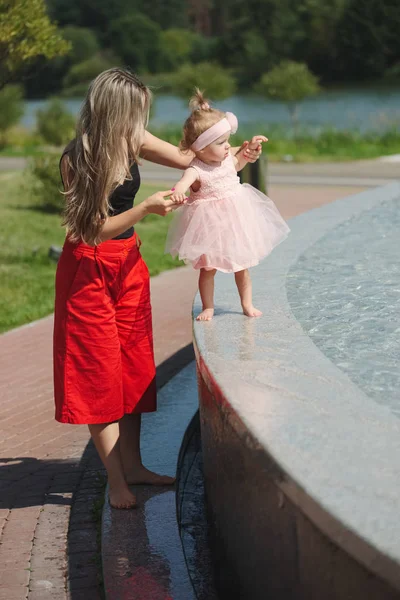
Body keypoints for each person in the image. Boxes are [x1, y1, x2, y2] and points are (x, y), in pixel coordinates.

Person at [54, 68, 263, 509]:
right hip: (89, 272)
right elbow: (90, 231)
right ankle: (116, 483)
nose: (142, 122)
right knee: (99, 377)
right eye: (136, 112)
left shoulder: (134, 138)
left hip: (128, 265)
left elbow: (193, 159)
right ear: (114, 112)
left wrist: (228, 147)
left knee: (132, 371)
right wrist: (146, 208)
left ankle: (135, 466)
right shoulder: (77, 160)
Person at [165, 89, 290, 321]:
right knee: (208, 268)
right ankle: (208, 306)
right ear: (201, 148)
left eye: (227, 141)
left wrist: (250, 149)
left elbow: (240, 160)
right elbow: (183, 183)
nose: (227, 147)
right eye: (221, 142)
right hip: (209, 226)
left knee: (242, 265)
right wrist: (178, 192)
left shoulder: (226, 160)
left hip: (235, 220)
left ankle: (247, 304)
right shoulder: (196, 169)